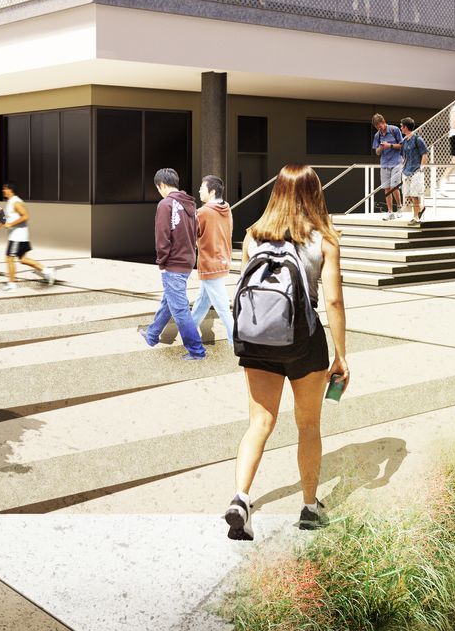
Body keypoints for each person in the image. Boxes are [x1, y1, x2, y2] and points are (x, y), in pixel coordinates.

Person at [223, 165, 348, 540]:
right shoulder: (324, 240)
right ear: (315, 194)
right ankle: (309, 508)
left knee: (259, 423)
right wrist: (341, 355)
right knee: (308, 425)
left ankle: (241, 500)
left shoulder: (252, 236)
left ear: (276, 192)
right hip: (303, 342)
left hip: (258, 339)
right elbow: (334, 301)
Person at [144, 169, 206, 360]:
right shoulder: (191, 204)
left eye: (158, 188)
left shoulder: (166, 204)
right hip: (187, 260)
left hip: (173, 263)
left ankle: (196, 351)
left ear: (162, 185)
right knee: (169, 300)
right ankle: (152, 334)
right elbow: (196, 232)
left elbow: (162, 236)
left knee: (179, 308)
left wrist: (161, 261)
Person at [191, 175, 235, 348]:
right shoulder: (227, 209)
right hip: (222, 260)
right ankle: (189, 331)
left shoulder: (203, 212)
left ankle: (235, 341)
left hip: (209, 263)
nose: (200, 190)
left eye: (202, 188)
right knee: (202, 302)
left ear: (212, 191)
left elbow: (191, 235)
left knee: (223, 306)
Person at [0, 182, 55, 285]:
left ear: (10, 190)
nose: (3, 191)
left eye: (5, 189)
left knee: (9, 258)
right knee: (23, 259)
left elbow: (26, 216)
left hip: (18, 237)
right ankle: (47, 271)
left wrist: (11, 224)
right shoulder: (11, 201)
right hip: (17, 236)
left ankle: (11, 285)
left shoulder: (16, 202)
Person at [370, 114, 405, 217]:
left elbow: (402, 145)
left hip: (396, 162)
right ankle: (390, 211)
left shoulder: (394, 130)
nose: (378, 127)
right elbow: (377, 152)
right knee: (386, 188)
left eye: (379, 125)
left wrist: (389, 145)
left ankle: (399, 207)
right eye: (376, 126)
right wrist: (381, 148)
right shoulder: (377, 135)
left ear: (383, 121)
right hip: (385, 163)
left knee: (394, 186)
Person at [397, 118, 429, 221]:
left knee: (415, 195)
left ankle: (415, 216)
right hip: (406, 171)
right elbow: (404, 156)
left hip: (416, 171)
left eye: (401, 126)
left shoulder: (417, 139)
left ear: (406, 127)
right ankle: (420, 208)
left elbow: (424, 154)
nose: (400, 128)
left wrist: (421, 168)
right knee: (407, 194)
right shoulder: (404, 141)